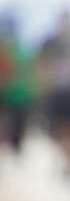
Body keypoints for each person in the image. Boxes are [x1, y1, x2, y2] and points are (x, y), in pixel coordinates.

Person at [37, 12, 70, 181]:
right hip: (57, 92)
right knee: (59, 127)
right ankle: (64, 160)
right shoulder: (51, 42)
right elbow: (41, 64)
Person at [0, 18, 34, 154]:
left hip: (21, 94)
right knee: (9, 121)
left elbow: (29, 72)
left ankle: (17, 146)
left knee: (20, 122)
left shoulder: (22, 49)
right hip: (7, 94)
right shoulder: (5, 49)